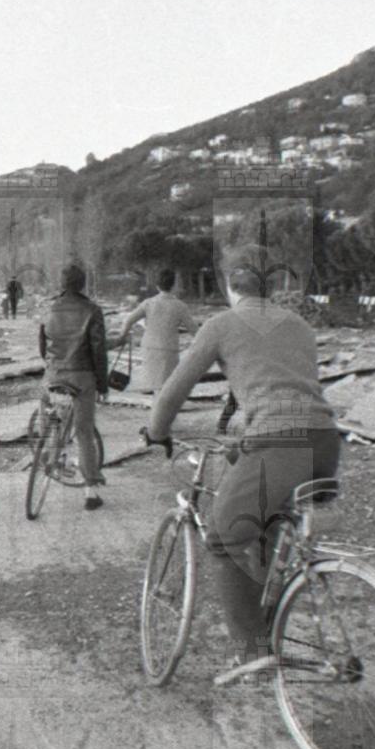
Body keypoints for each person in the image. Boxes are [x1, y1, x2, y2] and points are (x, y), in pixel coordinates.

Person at [144, 245, 338, 674]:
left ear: (230, 284)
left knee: (223, 536)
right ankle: (269, 620)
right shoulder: (300, 324)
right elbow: (283, 386)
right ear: (273, 284)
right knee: (264, 525)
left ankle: (252, 652)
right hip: (325, 442)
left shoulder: (221, 324)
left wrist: (156, 431)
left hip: (280, 444)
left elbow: (173, 391)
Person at [38, 262, 109, 509]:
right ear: (83, 284)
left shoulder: (48, 308)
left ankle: (50, 456)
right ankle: (90, 492)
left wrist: (52, 366)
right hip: (82, 377)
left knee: (50, 416)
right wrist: (103, 384)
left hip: (54, 374)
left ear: (61, 284)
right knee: (84, 432)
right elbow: (98, 351)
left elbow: (42, 346)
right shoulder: (93, 310)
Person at [109, 268, 196, 394]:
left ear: (157, 286)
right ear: (174, 286)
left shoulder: (148, 303)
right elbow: (194, 331)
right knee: (167, 387)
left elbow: (128, 320)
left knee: (155, 385)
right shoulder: (180, 306)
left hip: (149, 348)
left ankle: (157, 402)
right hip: (168, 349)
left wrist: (123, 336)